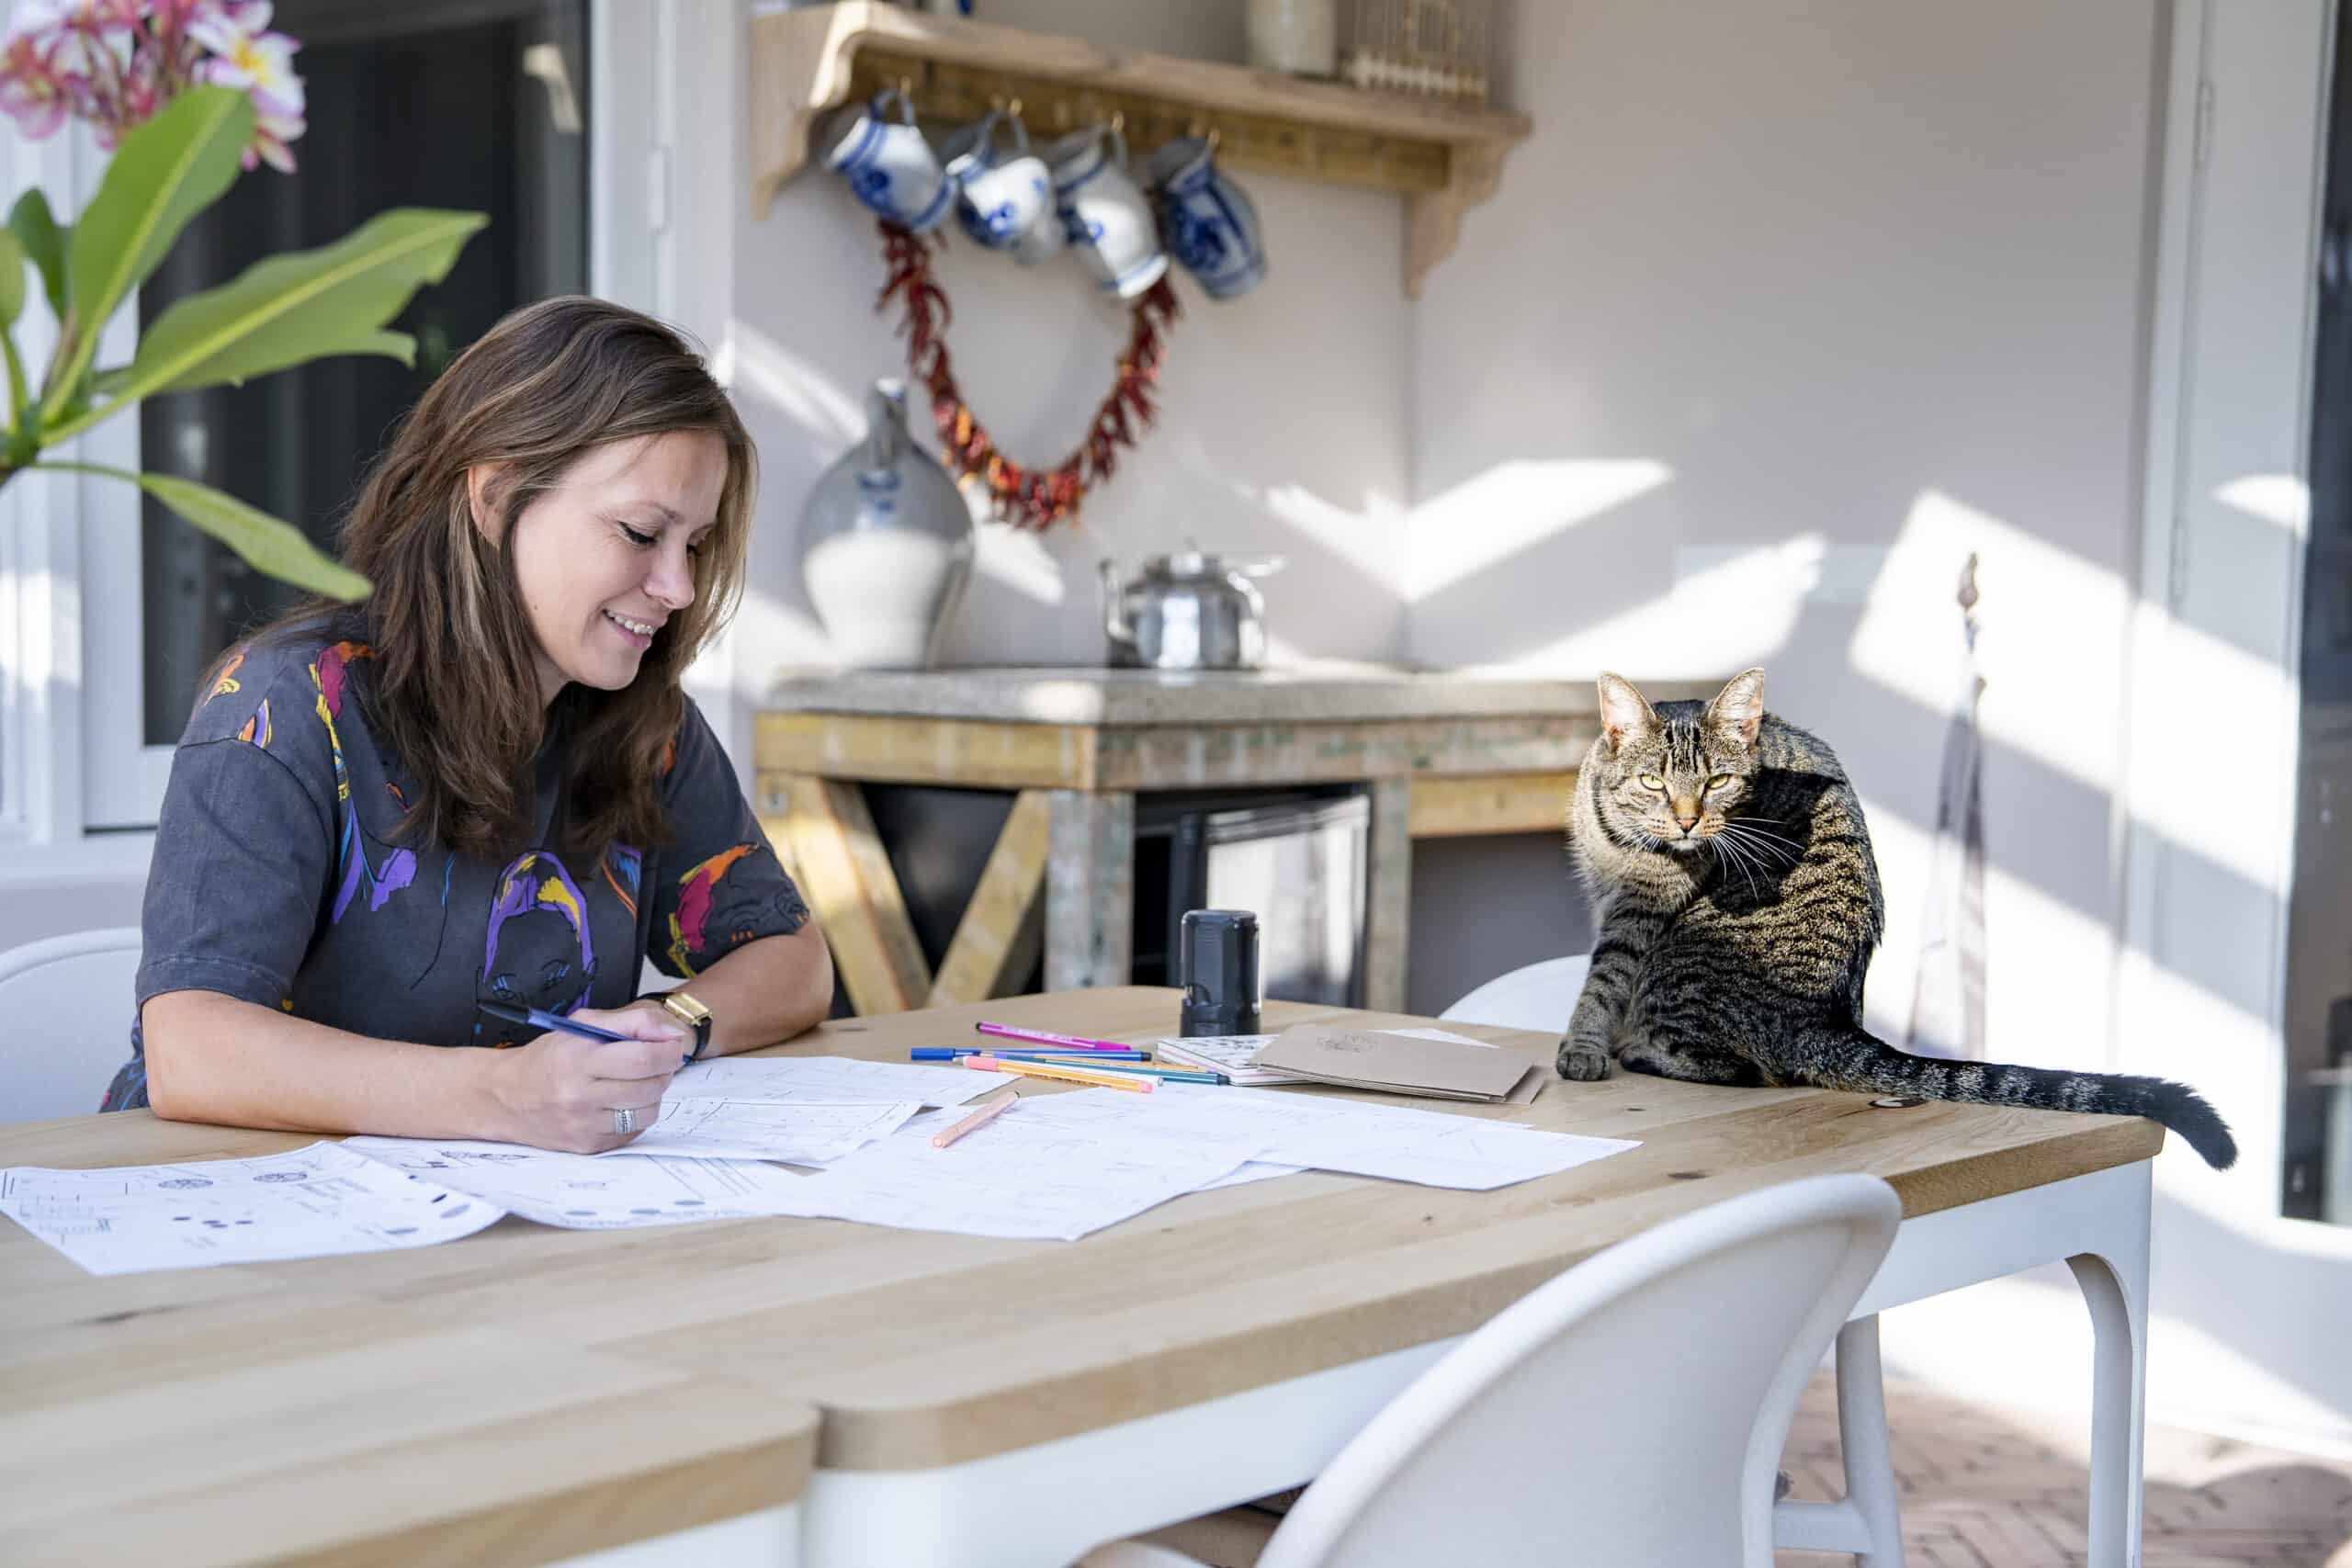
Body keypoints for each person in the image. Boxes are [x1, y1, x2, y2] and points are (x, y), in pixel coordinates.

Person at [100, 297, 833, 1153]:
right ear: (493, 496)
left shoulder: (646, 725)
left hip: (503, 1215)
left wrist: (663, 1026)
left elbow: (794, 961)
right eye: (641, 532)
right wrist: (507, 1095)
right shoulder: (283, 707)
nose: (675, 587)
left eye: (695, 545)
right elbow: (191, 1049)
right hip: (224, 1207)